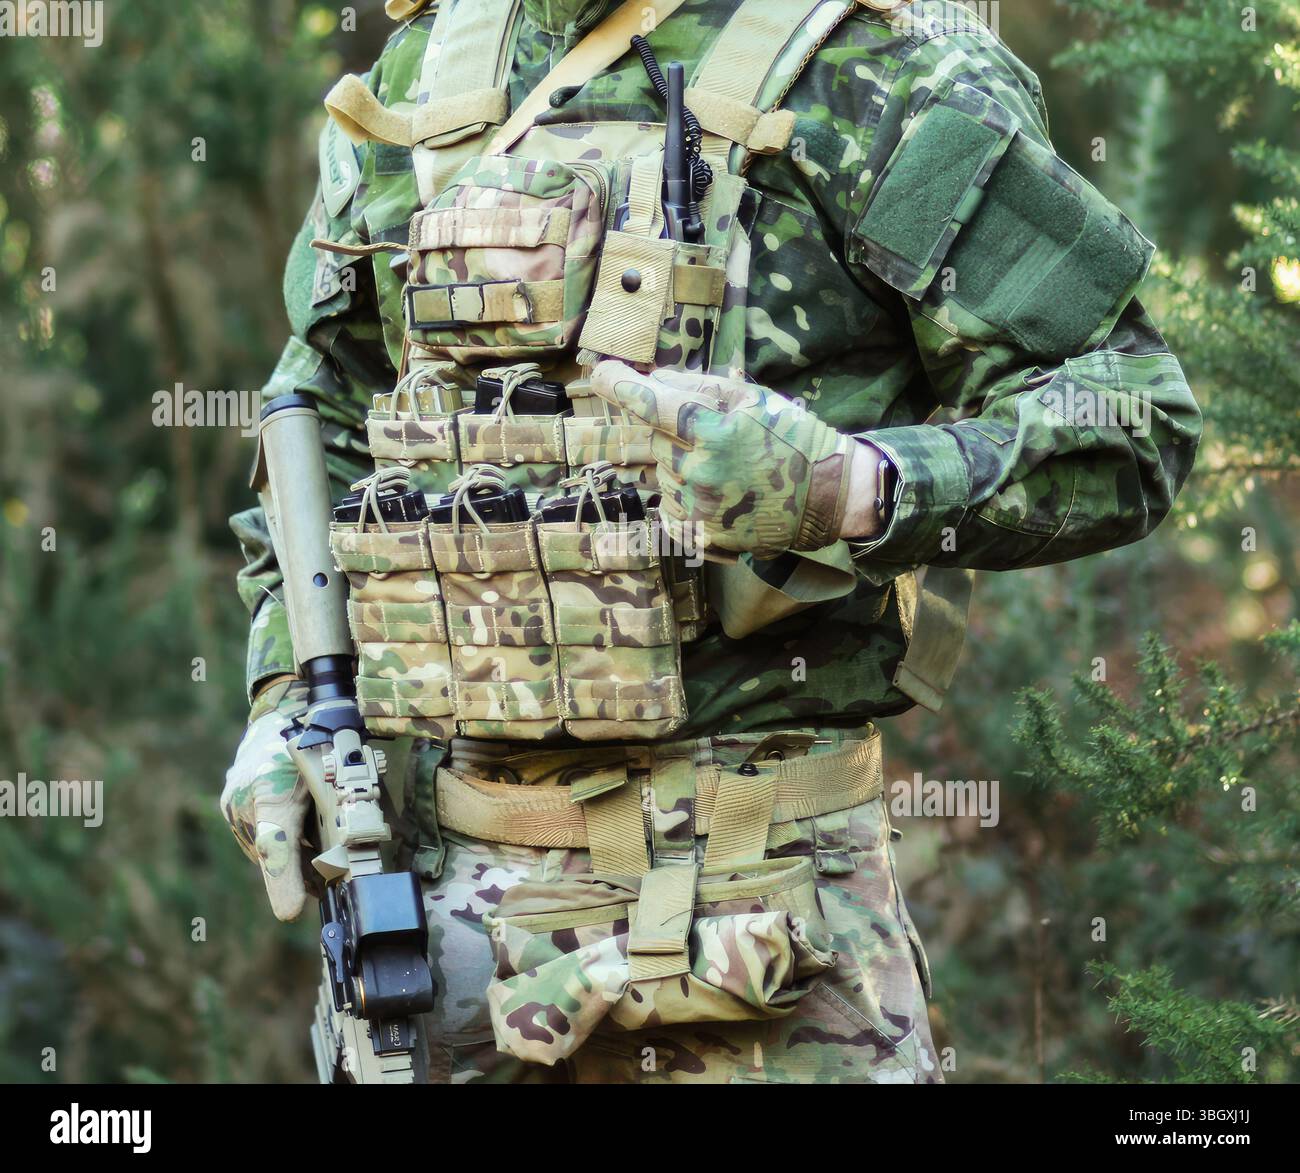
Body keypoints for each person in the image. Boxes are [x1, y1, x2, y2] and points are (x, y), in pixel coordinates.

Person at [221, 0, 1201, 1084]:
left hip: (767, 930)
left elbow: (1134, 418)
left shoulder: (872, 73)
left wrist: (849, 488)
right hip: (447, 943)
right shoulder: (425, 72)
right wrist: (286, 704)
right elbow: (323, 416)